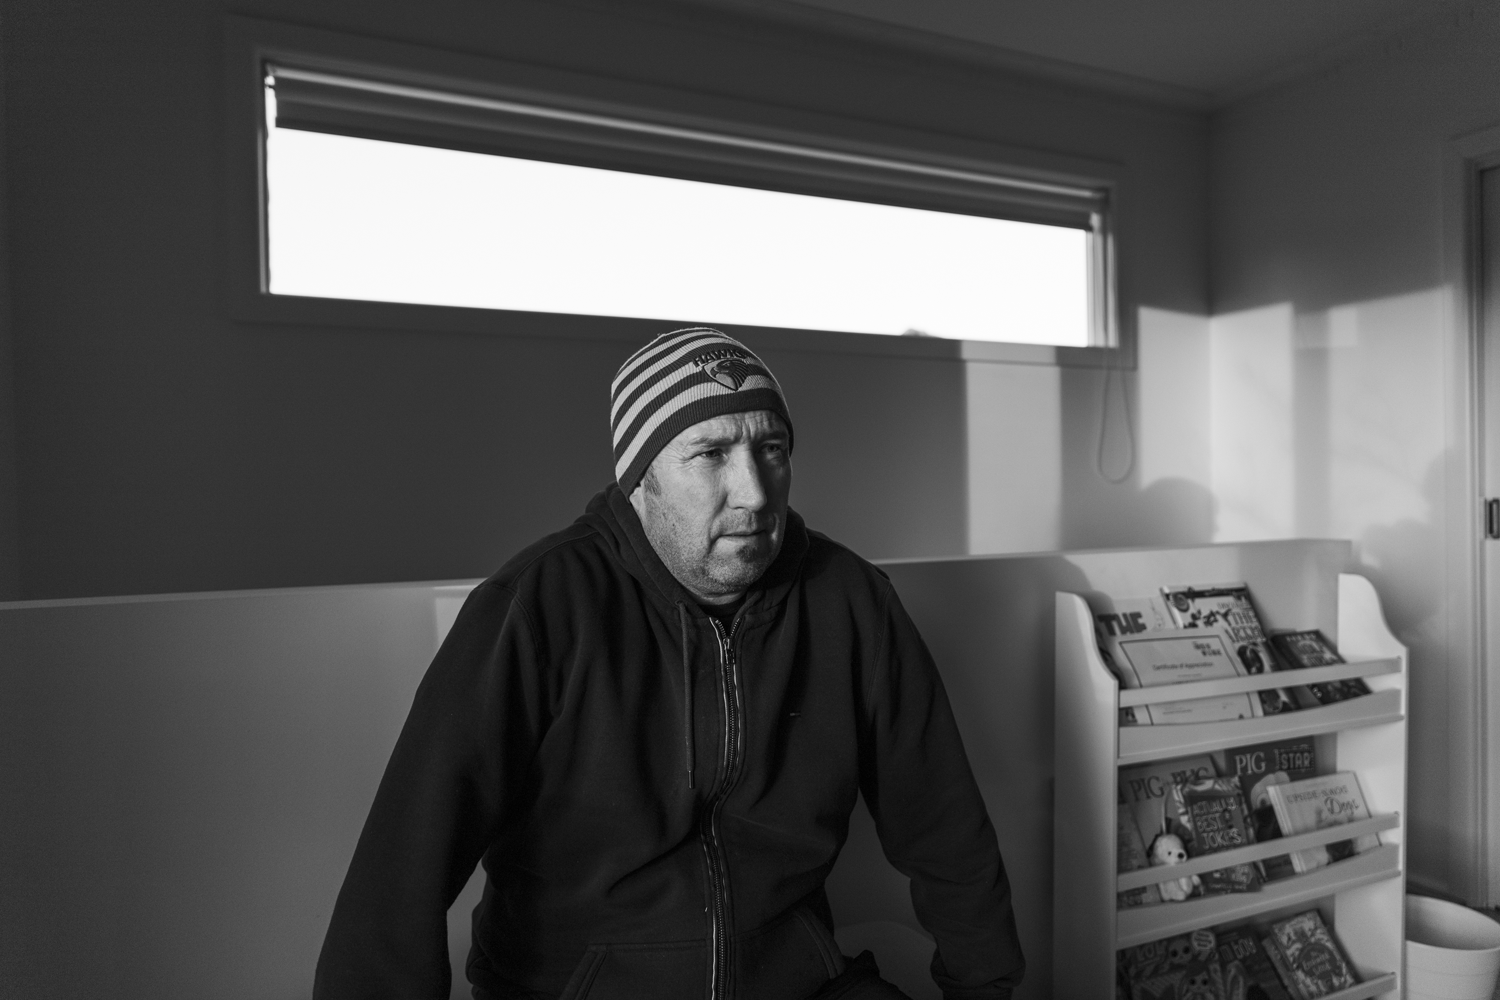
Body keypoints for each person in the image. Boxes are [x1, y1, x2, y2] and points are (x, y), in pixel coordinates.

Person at [313, 328, 1025, 1000]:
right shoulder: (538, 606)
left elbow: (944, 828)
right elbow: (401, 870)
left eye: (771, 448)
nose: (753, 491)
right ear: (640, 479)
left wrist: (985, 992)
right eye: (711, 453)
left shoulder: (848, 601)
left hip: (796, 983)